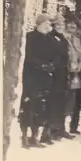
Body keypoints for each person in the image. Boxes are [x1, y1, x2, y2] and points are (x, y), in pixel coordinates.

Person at [18, 14, 55, 148]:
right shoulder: (29, 37)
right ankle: (24, 137)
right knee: (28, 107)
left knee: (40, 108)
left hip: (44, 79)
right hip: (31, 77)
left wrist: (51, 65)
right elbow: (27, 56)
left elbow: (54, 57)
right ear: (39, 24)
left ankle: (34, 137)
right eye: (45, 23)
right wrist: (41, 65)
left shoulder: (50, 40)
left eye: (49, 24)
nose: (48, 26)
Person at [42, 14, 73, 143]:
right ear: (54, 25)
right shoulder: (49, 38)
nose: (60, 27)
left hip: (62, 75)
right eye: (58, 25)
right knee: (51, 102)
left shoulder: (64, 39)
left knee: (61, 102)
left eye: (62, 25)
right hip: (53, 75)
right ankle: (48, 131)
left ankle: (58, 128)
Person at [64, 18, 81, 128]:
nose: (71, 28)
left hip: (74, 74)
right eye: (69, 26)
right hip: (63, 72)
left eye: (74, 26)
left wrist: (80, 65)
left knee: (70, 100)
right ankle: (55, 129)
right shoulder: (62, 38)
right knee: (61, 99)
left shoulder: (77, 41)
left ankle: (63, 127)